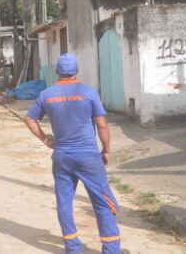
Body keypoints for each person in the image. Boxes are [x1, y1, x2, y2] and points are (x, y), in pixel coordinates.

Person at [25, 53, 121, 253]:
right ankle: (111, 249)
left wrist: (45, 139)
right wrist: (107, 150)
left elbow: (30, 119)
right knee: (103, 202)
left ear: (57, 71)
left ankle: (73, 247)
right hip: (88, 157)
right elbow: (102, 125)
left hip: (62, 157)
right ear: (77, 70)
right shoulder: (88, 92)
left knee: (64, 202)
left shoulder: (46, 95)